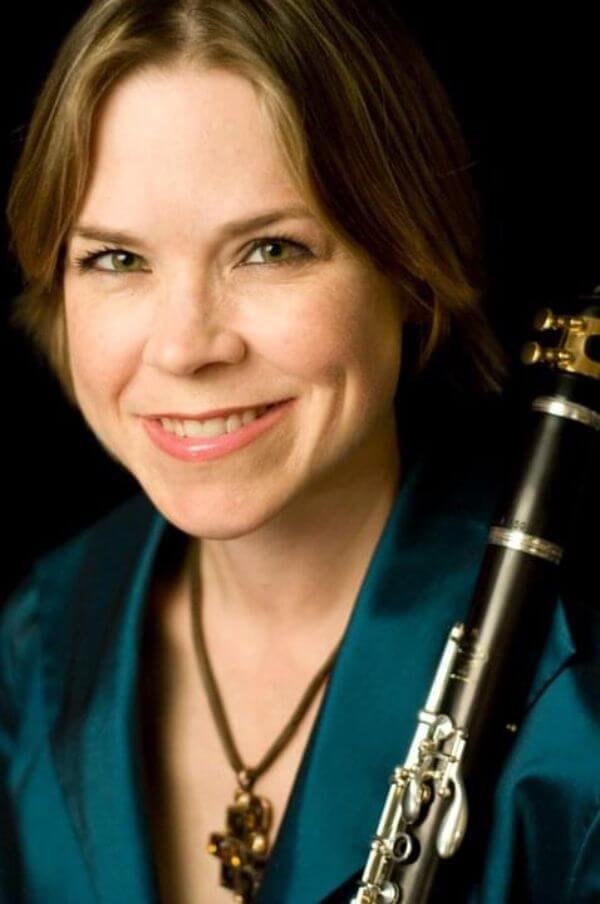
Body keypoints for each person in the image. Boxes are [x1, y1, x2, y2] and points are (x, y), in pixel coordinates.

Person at [2, 1, 598, 902]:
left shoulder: (575, 712)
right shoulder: (39, 640)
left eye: (270, 249)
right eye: (118, 260)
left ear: (408, 264)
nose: (184, 347)